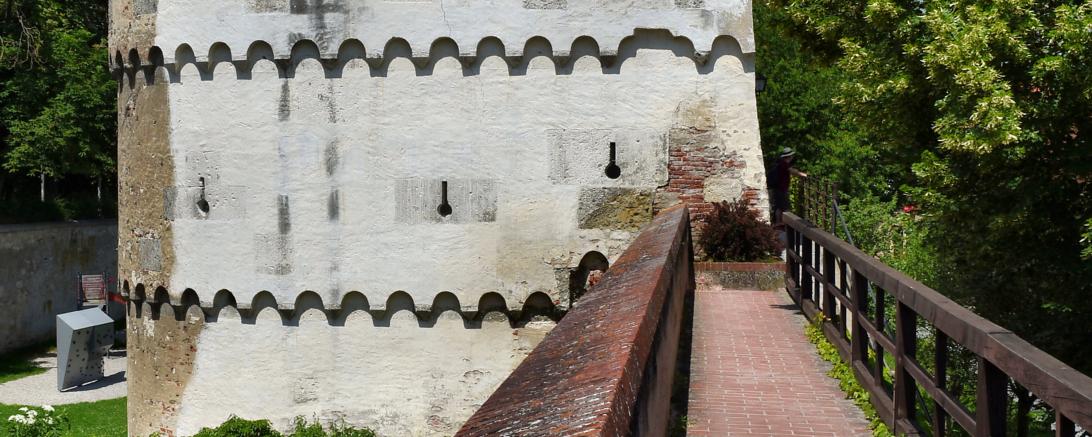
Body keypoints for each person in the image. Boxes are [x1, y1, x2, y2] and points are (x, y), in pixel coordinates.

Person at [770, 147, 806, 225]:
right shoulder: (784, 164)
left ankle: (778, 222)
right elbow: (793, 171)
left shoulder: (780, 163)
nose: (792, 157)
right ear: (789, 156)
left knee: (779, 206)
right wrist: (803, 175)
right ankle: (780, 223)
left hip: (778, 188)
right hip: (781, 189)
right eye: (791, 156)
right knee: (784, 207)